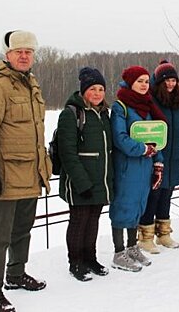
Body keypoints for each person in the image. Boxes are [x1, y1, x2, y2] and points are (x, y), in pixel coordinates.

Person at [0, 30, 50, 312]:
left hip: (31, 173)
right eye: (18, 51)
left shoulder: (31, 85)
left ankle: (16, 275)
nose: (23, 55)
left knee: (22, 231)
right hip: (5, 175)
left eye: (28, 52)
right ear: (7, 55)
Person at [137, 60, 179, 254]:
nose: (171, 84)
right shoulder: (152, 100)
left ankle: (163, 233)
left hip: (176, 158)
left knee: (167, 195)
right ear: (159, 82)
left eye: (173, 80)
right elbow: (148, 130)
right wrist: (155, 154)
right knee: (153, 196)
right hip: (158, 157)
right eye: (167, 81)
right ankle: (145, 237)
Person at [57, 67, 113, 281]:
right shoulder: (71, 114)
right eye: (93, 89)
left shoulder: (104, 114)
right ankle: (76, 262)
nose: (98, 93)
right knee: (79, 221)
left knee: (94, 221)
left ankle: (90, 258)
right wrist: (82, 183)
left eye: (101, 89)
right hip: (79, 181)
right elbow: (67, 153)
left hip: (100, 180)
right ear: (83, 91)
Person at [109, 65, 167, 271]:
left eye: (146, 81)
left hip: (146, 166)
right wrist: (142, 149)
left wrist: (158, 161)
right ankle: (118, 251)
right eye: (139, 81)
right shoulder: (120, 107)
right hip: (127, 167)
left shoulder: (147, 106)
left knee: (139, 205)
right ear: (130, 83)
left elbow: (156, 138)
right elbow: (120, 138)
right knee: (123, 206)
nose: (144, 85)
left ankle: (132, 246)